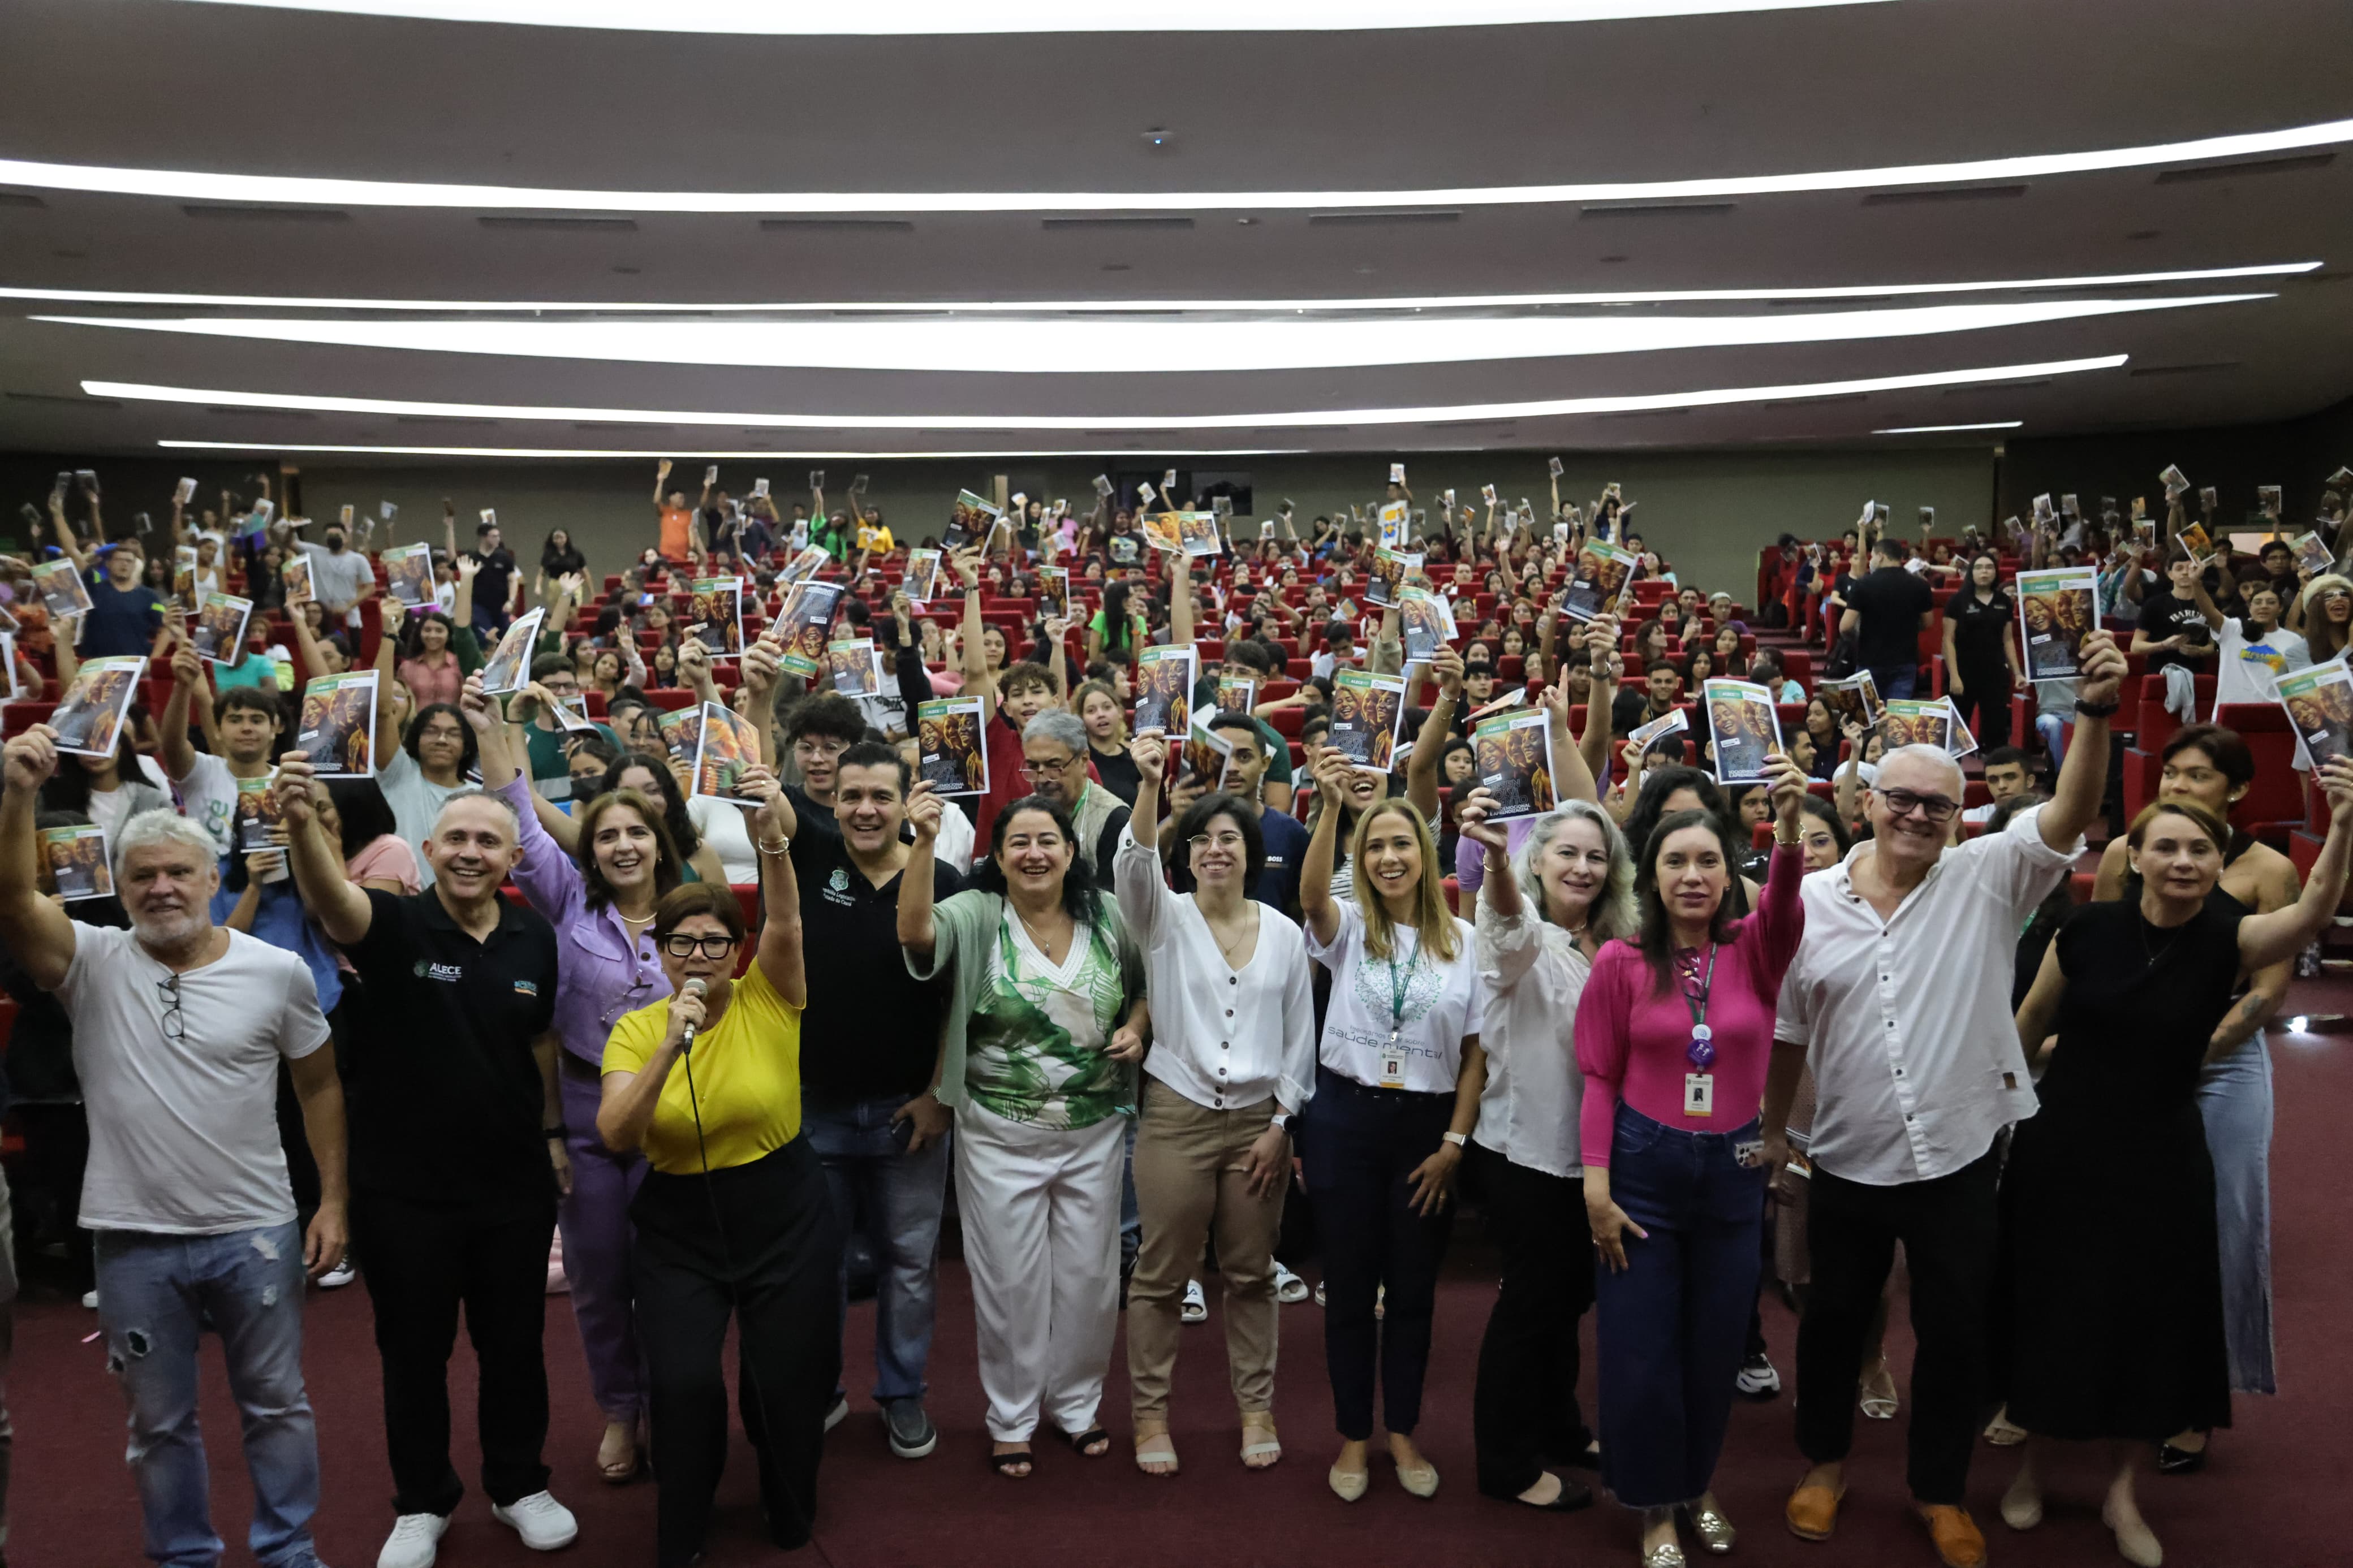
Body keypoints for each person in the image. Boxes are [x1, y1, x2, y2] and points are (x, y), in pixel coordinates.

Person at [1764, 629, 2127, 1568]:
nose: (1917, 815)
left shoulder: (1990, 875)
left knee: (1955, 1332)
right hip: (1845, 1153)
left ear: (1962, 816)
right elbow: (1790, 1033)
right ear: (1865, 801)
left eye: (1938, 803)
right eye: (1901, 798)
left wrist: (2093, 712)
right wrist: (1775, 1135)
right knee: (1833, 1324)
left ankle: (1938, 1490)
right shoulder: (1809, 902)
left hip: (1957, 1155)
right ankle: (1825, 1464)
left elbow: (2071, 813)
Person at [0, 740, 344, 1568]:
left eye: (179, 873)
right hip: (132, 1240)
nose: (162, 888)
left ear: (211, 878)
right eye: (143, 875)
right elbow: (12, 898)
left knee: (278, 1405)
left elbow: (320, 1086)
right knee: (158, 1423)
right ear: (118, 889)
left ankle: (288, 1551)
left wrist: (333, 1200)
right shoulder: (89, 961)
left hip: (255, 1230)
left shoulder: (277, 972)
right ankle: (185, 1557)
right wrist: (15, 797)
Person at [1996, 777, 2353, 1567]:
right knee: (2058, 1304)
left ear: (2219, 862)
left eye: (2200, 849)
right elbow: (2029, 1023)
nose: (2183, 861)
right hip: (2065, 1145)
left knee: (2150, 1317)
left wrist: (2342, 827)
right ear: (2135, 858)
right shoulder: (2085, 929)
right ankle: (2034, 1467)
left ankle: (2122, 1491)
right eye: (2166, 847)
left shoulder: (2230, 939)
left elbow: (2311, 915)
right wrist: (1997, 1112)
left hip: (2162, 1151)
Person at [274, 759, 578, 1568]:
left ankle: (518, 1483)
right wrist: (303, 825)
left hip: (512, 1186)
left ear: (514, 858)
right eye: (457, 839)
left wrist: (553, 1135)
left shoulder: (534, 937)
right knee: (413, 1355)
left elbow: (541, 1041)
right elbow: (331, 901)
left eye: (489, 841)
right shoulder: (393, 924)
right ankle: (422, 1501)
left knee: (514, 1345)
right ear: (430, 849)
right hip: (404, 1191)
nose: (472, 852)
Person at [1578, 753, 1807, 1565]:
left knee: (1713, 1350)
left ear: (1727, 872)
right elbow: (1600, 1078)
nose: (1692, 875)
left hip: (1732, 1176)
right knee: (1641, 1352)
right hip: (1641, 1170)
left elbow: (1785, 902)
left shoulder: (1755, 950)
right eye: (1675, 861)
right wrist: (1596, 1188)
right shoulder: (1620, 962)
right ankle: (1652, 1504)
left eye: (1708, 860)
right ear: (1651, 875)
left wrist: (1786, 826)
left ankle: (1695, 1481)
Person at [599, 808, 844, 1566]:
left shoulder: (771, 994)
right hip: (680, 1227)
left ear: (738, 950)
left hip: (784, 1211)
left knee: (785, 1379)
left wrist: (772, 841)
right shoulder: (637, 1030)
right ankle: (686, 1515)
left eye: (714, 942)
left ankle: (787, 1501)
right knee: (682, 1383)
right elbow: (617, 1134)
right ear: (659, 951)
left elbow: (787, 919)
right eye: (682, 942)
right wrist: (671, 1043)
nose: (699, 955)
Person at [898, 786, 1148, 1478]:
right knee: (1011, 1283)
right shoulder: (978, 912)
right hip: (999, 1133)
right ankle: (1011, 1417)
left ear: (1071, 851)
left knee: (1090, 1281)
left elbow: (1141, 988)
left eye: (1047, 842)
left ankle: (1076, 1406)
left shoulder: (1106, 913)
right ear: (998, 856)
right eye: (1018, 843)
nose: (1034, 854)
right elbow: (915, 935)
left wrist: (1135, 1028)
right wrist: (923, 843)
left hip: (1095, 1131)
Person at [466, 669, 678, 1485]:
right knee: (597, 1276)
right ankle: (622, 1408)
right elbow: (517, 810)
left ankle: (672, 1404)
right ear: (590, 849)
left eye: (637, 833)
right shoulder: (568, 903)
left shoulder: (691, 911)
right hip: (587, 1109)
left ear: (660, 841)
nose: (623, 846)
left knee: (668, 1274)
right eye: (607, 835)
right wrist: (492, 727)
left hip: (670, 1110)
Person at [2090, 725, 2301, 1455]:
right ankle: (2104, 1378)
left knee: (2225, 1224)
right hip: (2124, 1057)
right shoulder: (2123, 854)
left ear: (2236, 789)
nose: (2178, 786)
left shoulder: (2269, 870)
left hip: (2224, 1061)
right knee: (2116, 1223)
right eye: (2171, 772)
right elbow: (2100, 958)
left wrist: (2189, 1051)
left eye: (2198, 776)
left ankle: (2194, 1398)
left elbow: (2268, 992)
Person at [1115, 738, 1316, 1478]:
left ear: (1252, 853)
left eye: (1229, 838)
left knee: (1252, 1272)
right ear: (1187, 855)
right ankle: (1149, 1415)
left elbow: (1299, 1037)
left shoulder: (1285, 934)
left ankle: (1256, 1408)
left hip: (1260, 1124)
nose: (1215, 850)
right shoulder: (1162, 919)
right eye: (1201, 840)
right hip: (1177, 1115)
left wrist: (1281, 1124)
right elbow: (1133, 866)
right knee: (1161, 1275)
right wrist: (1149, 790)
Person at [1297, 750, 1485, 1504]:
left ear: (1425, 852)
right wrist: (1329, 807)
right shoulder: (1347, 927)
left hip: (1425, 1131)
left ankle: (1402, 1429)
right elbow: (1312, 896)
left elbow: (1475, 1056)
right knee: (1347, 1289)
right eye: (1373, 846)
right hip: (1345, 1120)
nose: (1388, 857)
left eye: (1401, 843)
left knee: (1412, 1291)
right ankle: (1353, 1433)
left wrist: (1454, 1144)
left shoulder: (1464, 941)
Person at [775, 740, 966, 1461]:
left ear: (906, 801)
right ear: (831, 801)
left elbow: (956, 1001)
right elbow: (765, 803)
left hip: (906, 1112)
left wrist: (939, 1095)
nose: (864, 809)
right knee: (813, 1264)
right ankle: (819, 1387)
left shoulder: (944, 879)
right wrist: (757, 704)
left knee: (910, 1263)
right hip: (812, 1107)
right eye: (850, 795)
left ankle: (902, 1391)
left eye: (881, 796)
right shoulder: (810, 855)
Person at [1455, 791, 1636, 1515]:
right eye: (1566, 852)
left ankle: (1558, 1426)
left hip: (1596, 1156)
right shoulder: (1518, 929)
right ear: (1537, 860)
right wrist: (1496, 863)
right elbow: (1504, 924)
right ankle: (1504, 1463)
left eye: (1596, 856)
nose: (1582, 867)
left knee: (1568, 1302)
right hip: (1524, 1153)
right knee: (1531, 1307)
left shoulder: (1620, 940)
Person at [1022, 710, 1130, 887]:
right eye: (1033, 767)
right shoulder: (1021, 814)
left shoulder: (1115, 820)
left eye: (1054, 766)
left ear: (1084, 761)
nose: (1042, 779)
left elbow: (1113, 901)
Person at [1942, 552, 2020, 753]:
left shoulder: (2004, 601)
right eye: (1978, 567)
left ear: (1995, 572)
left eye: (1989, 567)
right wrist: (1954, 676)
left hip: (1995, 673)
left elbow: (2008, 639)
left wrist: (2018, 673)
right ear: (1971, 572)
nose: (1984, 572)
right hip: (1963, 672)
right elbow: (1948, 640)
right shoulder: (1957, 601)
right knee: (1955, 733)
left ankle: (1995, 768)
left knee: (1997, 731)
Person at [1839, 537, 1935, 701]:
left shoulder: (1862, 584)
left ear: (1881, 556)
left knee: (1869, 713)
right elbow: (1928, 623)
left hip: (1870, 659)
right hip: (1905, 660)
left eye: (1872, 556)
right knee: (1896, 715)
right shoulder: (1921, 585)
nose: (1871, 561)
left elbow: (1845, 627)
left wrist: (1857, 639)